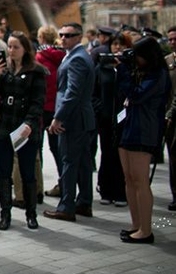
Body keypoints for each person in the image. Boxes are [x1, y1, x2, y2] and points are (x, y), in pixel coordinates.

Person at [0, 31, 48, 230]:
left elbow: (38, 102)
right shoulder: (3, 69)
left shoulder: (36, 71)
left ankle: (31, 214)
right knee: (3, 173)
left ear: (25, 49)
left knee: (27, 171)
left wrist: (29, 124)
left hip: (25, 128)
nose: (11, 51)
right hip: (2, 126)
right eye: (9, 47)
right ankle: (5, 214)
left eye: (16, 47)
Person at [117, 36, 171, 244]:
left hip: (145, 129)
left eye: (137, 55)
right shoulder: (141, 72)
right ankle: (136, 224)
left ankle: (146, 230)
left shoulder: (158, 75)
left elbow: (137, 95)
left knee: (140, 180)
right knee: (129, 178)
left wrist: (123, 72)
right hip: (130, 126)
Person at [44, 23, 96, 222]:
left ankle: (67, 206)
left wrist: (58, 118)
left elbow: (72, 93)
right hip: (80, 118)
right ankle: (84, 202)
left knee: (69, 162)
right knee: (82, 162)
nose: (63, 38)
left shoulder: (77, 59)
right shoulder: (77, 56)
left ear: (79, 36)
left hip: (73, 119)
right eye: (61, 34)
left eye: (69, 35)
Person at [94, 31, 132, 206]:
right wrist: (100, 108)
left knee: (120, 156)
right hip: (105, 118)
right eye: (114, 44)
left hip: (124, 119)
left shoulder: (129, 67)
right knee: (106, 153)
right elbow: (94, 92)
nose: (117, 48)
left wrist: (122, 68)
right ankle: (106, 190)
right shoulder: (102, 68)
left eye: (121, 44)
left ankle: (120, 192)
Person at [35, 26, 65, 200]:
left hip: (42, 107)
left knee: (36, 149)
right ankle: (64, 184)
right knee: (58, 149)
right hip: (58, 107)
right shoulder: (63, 56)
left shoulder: (39, 56)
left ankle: (37, 187)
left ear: (41, 38)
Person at [165, 26, 176, 212]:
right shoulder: (167, 61)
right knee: (173, 157)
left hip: (172, 114)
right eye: (171, 39)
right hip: (169, 118)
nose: (173, 42)